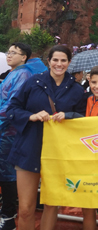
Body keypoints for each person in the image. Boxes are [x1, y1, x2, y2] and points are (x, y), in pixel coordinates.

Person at [6, 45, 86, 230]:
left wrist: (68, 116)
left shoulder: (76, 90)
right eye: (55, 60)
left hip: (58, 153)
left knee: (51, 206)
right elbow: (12, 109)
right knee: (26, 208)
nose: (59, 64)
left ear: (69, 62)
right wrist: (30, 116)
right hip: (29, 148)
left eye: (63, 60)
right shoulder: (33, 82)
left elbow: (84, 120)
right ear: (48, 61)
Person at [56, 65, 98, 230]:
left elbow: (94, 124)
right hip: (87, 161)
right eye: (93, 82)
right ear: (88, 81)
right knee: (87, 209)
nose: (97, 86)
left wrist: (69, 115)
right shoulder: (89, 98)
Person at [0, 43, 47, 230]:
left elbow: (10, 106)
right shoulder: (14, 73)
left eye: (14, 53)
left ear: (24, 57)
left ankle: (9, 215)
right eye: (8, 52)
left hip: (10, 131)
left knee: (8, 173)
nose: (9, 55)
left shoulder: (22, 74)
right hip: (5, 130)